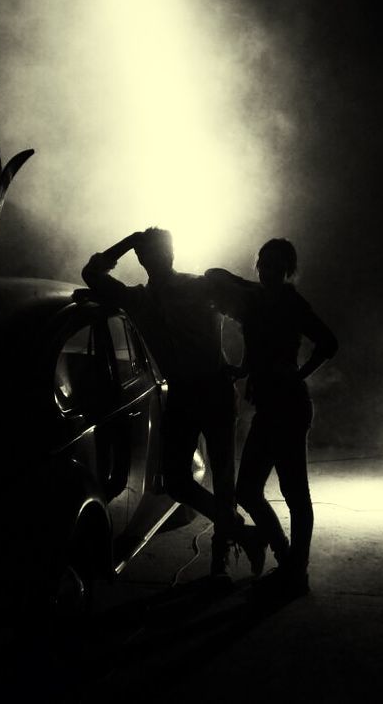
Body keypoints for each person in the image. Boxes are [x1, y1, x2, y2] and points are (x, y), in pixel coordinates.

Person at [82, 228, 263, 577]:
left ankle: (221, 562)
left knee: (220, 479)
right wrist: (134, 241)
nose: (159, 258)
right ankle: (241, 536)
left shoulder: (195, 287)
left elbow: (253, 310)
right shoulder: (145, 299)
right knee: (181, 481)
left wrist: (246, 366)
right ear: (149, 258)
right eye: (152, 253)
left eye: (160, 252)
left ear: (169, 254)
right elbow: (90, 276)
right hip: (189, 393)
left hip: (210, 391)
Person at [206, 238, 338, 599]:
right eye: (262, 263)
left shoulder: (292, 303)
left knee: (295, 494)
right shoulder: (255, 301)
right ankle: (283, 553)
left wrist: (298, 375)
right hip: (268, 408)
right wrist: (244, 370)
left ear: (287, 271)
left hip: (290, 408)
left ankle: (297, 571)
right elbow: (254, 341)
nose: (266, 271)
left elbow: (329, 342)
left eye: (275, 266)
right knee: (247, 490)